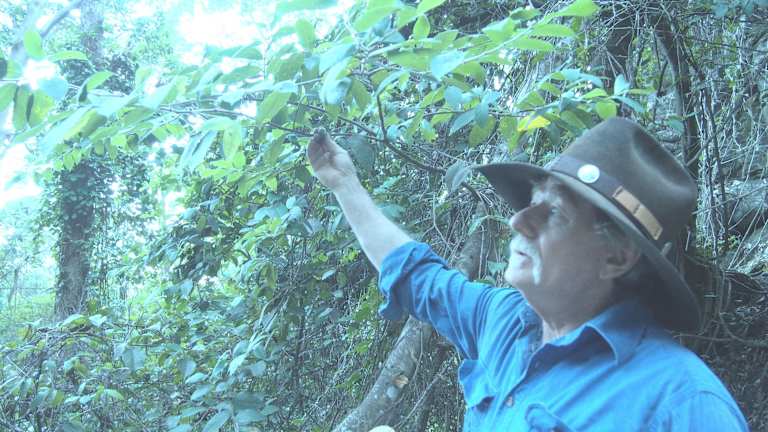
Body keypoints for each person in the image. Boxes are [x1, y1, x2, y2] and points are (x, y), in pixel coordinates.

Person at [307, 118, 749, 431]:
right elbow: (416, 276)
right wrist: (345, 185)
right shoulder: (503, 320)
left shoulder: (682, 403)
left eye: (553, 213)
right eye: (532, 202)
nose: (519, 220)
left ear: (616, 257)